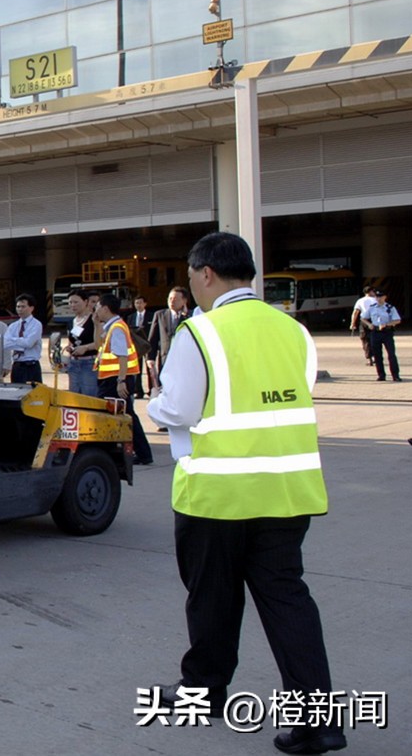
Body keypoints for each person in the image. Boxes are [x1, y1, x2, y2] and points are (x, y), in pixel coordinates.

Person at [147, 232, 345, 756]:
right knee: (287, 600)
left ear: (207, 272)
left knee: (212, 600)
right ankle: (317, 719)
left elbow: (180, 409)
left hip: (217, 497)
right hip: (287, 494)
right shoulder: (295, 331)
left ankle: (205, 692)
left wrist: (154, 405)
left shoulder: (201, 334)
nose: (189, 287)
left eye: (190, 277)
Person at [94, 293, 153, 465]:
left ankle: (142, 453)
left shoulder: (117, 328)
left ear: (105, 308)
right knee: (125, 415)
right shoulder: (111, 326)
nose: (96, 309)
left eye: (98, 306)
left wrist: (121, 381)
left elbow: (122, 357)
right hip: (111, 379)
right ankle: (142, 453)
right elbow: (99, 346)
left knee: (125, 416)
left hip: (115, 381)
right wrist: (96, 324)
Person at [149, 286, 191, 392]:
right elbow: (153, 339)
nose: (172, 301)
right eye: (170, 298)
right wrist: (151, 358)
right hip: (165, 358)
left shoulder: (191, 316)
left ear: (184, 301)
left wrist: (185, 316)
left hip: (184, 359)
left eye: (176, 299)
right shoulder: (160, 315)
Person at [62, 291, 98, 397]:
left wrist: (86, 347)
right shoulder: (71, 321)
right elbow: (72, 340)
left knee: (89, 395)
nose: (73, 305)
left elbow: (102, 342)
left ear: (85, 302)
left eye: (76, 302)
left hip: (89, 362)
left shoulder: (94, 320)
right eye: (70, 302)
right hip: (73, 363)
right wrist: (69, 348)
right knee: (74, 395)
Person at [3, 294, 43, 384]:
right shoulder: (13, 326)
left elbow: (29, 343)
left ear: (31, 308)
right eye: (18, 307)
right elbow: (5, 344)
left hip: (31, 365)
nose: (20, 309)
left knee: (33, 394)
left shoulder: (36, 324)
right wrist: (21, 342)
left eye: (23, 306)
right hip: (17, 365)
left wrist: (14, 340)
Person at [364, 289, 401, 382]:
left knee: (391, 354)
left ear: (385, 297)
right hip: (375, 332)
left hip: (386, 332)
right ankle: (381, 375)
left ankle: (395, 375)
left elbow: (397, 320)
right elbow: (363, 318)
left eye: (380, 297)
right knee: (377, 355)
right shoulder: (372, 307)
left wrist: (387, 324)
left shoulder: (390, 308)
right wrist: (369, 325)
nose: (378, 298)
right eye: (377, 297)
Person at [349, 285, 377, 366]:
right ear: (370, 292)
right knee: (375, 339)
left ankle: (369, 359)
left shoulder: (360, 301)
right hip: (375, 321)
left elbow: (355, 313)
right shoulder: (376, 300)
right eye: (373, 291)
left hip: (364, 321)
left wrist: (352, 324)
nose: (374, 293)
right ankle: (376, 357)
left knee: (365, 340)